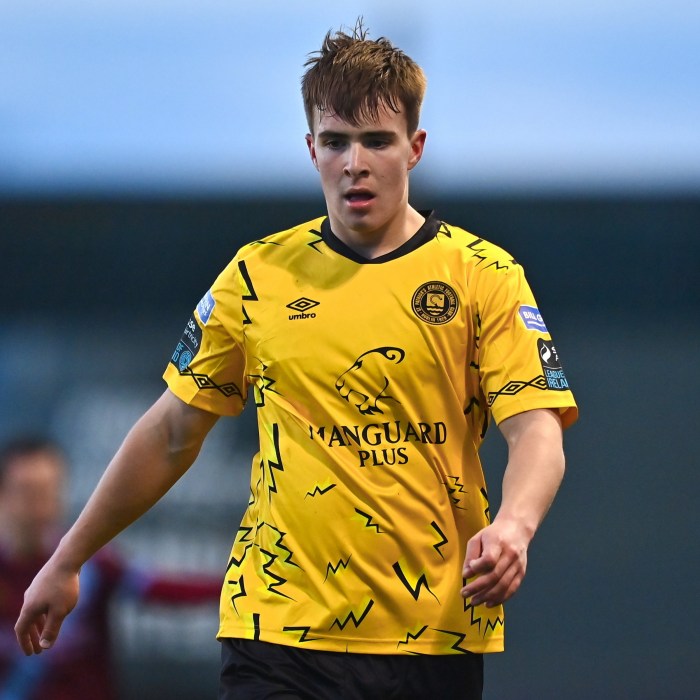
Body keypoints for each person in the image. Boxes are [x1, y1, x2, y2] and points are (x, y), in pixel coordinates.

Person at [15, 21, 578, 699]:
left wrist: (514, 526)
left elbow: (537, 428)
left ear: (415, 148)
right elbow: (170, 431)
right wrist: (68, 558)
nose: (354, 162)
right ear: (312, 149)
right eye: (336, 142)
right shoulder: (258, 276)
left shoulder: (483, 275)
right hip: (278, 631)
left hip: (432, 633)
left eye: (377, 141)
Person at [0, 436, 221, 700]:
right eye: (28, 492)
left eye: (49, 491)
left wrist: (235, 583)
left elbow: (160, 588)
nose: (41, 506)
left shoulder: (86, 563)